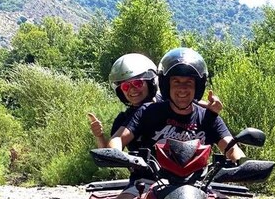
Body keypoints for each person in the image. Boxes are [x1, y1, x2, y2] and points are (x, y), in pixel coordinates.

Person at [108, 47, 245, 163]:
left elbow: (231, 148)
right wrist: (116, 154)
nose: (182, 88)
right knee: (126, 196)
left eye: (189, 82)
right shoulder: (147, 112)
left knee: (222, 196)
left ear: (197, 87)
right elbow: (118, 138)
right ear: (166, 85)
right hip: (148, 182)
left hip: (199, 184)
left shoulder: (208, 117)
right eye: (176, 82)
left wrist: (244, 164)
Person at [89, 53, 158, 150]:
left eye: (137, 83)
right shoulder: (123, 120)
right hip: (144, 164)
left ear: (151, 83)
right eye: (126, 86)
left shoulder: (169, 105)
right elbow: (109, 154)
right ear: (121, 92)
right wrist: (99, 136)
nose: (132, 89)